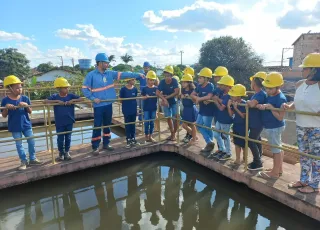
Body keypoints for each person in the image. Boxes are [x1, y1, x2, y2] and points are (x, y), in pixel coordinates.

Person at [82, 53, 144, 155]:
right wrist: (93, 98)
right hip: (98, 105)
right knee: (97, 125)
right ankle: (95, 146)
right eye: (106, 63)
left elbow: (124, 74)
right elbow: (85, 89)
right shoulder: (91, 75)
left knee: (107, 124)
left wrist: (137, 75)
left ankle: (106, 143)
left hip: (108, 104)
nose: (107, 64)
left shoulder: (110, 74)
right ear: (100, 63)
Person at [283, 53, 320, 194]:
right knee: (304, 155)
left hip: (317, 128)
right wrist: (289, 106)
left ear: (314, 70)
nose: (302, 71)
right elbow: (297, 101)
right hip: (301, 126)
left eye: (305, 68)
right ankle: (303, 180)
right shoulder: (300, 84)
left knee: (315, 157)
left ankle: (315, 185)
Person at [1, 75, 41, 170]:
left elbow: (30, 111)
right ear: (10, 88)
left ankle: (33, 158)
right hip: (14, 126)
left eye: (20, 87)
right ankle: (23, 161)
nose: (20, 89)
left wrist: (26, 105)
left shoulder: (25, 98)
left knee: (31, 141)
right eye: (17, 87)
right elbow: (3, 115)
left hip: (26, 124)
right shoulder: (5, 100)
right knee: (19, 144)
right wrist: (6, 107)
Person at [44, 77, 83, 161]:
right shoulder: (55, 96)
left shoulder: (71, 95)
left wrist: (72, 101)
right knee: (60, 138)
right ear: (59, 88)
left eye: (67, 87)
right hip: (59, 122)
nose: (67, 89)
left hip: (69, 120)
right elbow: (45, 101)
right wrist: (57, 102)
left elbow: (81, 99)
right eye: (65, 87)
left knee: (68, 137)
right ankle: (61, 153)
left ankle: (67, 152)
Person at [257, 72, 287, 179]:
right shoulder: (272, 95)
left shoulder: (281, 98)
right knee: (278, 148)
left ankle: (274, 173)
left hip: (275, 127)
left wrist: (270, 107)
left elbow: (280, 117)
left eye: (270, 88)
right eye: (267, 88)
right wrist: (265, 106)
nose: (268, 91)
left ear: (278, 87)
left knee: (276, 150)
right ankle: (278, 169)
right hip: (271, 127)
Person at [246, 72, 267, 170]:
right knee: (257, 139)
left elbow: (252, 104)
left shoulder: (261, 94)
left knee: (251, 141)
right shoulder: (257, 94)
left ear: (254, 82)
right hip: (254, 121)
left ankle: (258, 162)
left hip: (257, 122)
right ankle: (258, 158)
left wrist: (247, 102)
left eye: (252, 81)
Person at [191, 67, 215, 153]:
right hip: (202, 110)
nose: (199, 79)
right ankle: (209, 142)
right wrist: (198, 98)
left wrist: (199, 99)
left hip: (208, 111)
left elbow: (209, 96)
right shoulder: (199, 86)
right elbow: (192, 94)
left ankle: (209, 144)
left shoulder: (210, 86)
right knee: (198, 125)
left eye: (200, 77)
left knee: (208, 127)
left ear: (206, 78)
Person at [212, 75, 235, 160]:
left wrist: (216, 101)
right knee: (216, 134)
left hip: (226, 120)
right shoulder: (222, 93)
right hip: (220, 118)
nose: (220, 86)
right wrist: (217, 99)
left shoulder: (229, 95)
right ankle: (222, 149)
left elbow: (222, 107)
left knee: (225, 136)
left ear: (227, 86)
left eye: (222, 85)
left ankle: (228, 153)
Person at [156, 65, 180, 141]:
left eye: (169, 76)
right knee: (168, 118)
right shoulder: (162, 82)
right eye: (166, 76)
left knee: (176, 117)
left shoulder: (174, 81)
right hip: (165, 102)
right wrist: (164, 99)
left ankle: (173, 134)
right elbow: (157, 92)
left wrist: (166, 98)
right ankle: (172, 134)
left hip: (174, 101)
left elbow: (177, 92)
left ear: (172, 75)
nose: (167, 77)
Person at [227, 84, 247, 165]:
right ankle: (237, 159)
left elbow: (243, 116)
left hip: (242, 126)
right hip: (235, 125)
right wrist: (229, 106)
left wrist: (236, 108)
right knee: (236, 143)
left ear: (239, 96)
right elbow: (231, 115)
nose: (231, 97)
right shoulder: (233, 102)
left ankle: (245, 158)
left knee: (243, 144)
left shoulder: (244, 103)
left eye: (233, 96)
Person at [119, 78, 140, 148]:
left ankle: (133, 138)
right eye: (133, 80)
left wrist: (136, 109)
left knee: (133, 124)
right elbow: (120, 100)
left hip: (133, 110)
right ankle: (128, 139)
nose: (134, 81)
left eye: (135, 80)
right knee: (127, 125)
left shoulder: (135, 89)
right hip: (126, 110)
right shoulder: (123, 89)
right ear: (129, 80)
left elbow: (135, 100)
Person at [180, 74, 198, 144]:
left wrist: (189, 97)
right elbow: (181, 97)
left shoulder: (193, 90)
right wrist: (182, 96)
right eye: (182, 82)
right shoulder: (183, 90)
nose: (183, 84)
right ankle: (194, 135)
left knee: (192, 125)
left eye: (185, 82)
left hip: (191, 109)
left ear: (189, 83)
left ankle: (194, 139)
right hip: (186, 109)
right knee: (184, 125)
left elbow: (195, 101)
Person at [141, 71, 158, 143]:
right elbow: (141, 97)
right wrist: (145, 97)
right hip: (146, 109)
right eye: (150, 80)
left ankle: (150, 136)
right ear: (147, 80)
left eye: (153, 80)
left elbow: (159, 95)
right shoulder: (144, 89)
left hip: (153, 109)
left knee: (152, 123)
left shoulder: (156, 88)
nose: (151, 82)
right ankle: (146, 136)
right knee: (146, 122)